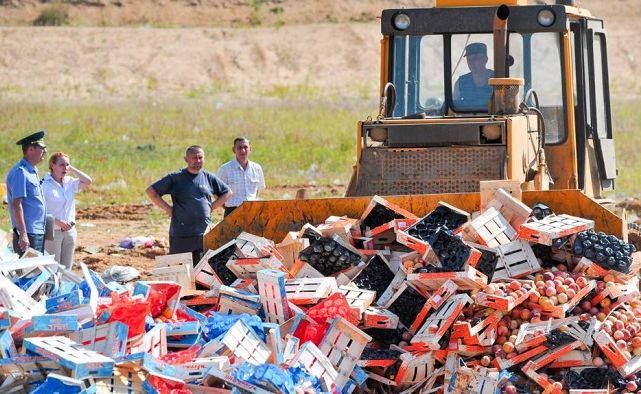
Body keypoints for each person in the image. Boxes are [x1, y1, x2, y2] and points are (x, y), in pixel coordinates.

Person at [146, 145, 232, 264]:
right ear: (186, 159)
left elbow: (227, 192)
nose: (197, 161)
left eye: (200, 158)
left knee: (201, 271)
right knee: (179, 269)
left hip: (203, 234)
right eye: (194, 158)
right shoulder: (176, 178)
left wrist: (211, 207)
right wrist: (168, 209)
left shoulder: (208, 177)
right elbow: (151, 191)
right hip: (181, 234)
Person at [42, 152, 92, 269]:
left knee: (67, 269)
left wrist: (71, 168)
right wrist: (58, 222)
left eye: (67, 165)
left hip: (69, 231)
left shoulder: (69, 182)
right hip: (53, 231)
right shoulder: (44, 184)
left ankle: (65, 287)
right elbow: (40, 211)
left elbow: (88, 181)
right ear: (52, 165)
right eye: (61, 165)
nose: (65, 168)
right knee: (53, 268)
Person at [6, 130, 48, 254]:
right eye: (42, 148)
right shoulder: (21, 172)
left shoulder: (32, 170)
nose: (45, 151)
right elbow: (17, 204)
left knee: (37, 269)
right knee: (29, 271)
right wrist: (23, 234)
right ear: (31, 150)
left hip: (36, 231)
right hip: (28, 233)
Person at [217, 137, 266, 217]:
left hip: (253, 211)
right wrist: (227, 208)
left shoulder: (257, 168)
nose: (243, 150)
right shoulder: (225, 169)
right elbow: (216, 192)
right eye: (239, 147)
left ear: (250, 149)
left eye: (245, 147)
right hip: (232, 211)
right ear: (234, 150)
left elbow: (257, 190)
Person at [453, 42, 494, 111]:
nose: (471, 63)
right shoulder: (461, 82)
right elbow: (453, 107)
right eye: (469, 59)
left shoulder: (497, 79)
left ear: (485, 59)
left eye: (475, 58)